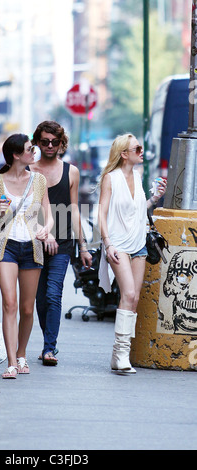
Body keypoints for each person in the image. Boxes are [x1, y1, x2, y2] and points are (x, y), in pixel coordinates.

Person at [0, 133, 53, 379]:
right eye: (29, 148)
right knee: (9, 303)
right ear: (16, 155)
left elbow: (48, 212)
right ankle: (11, 362)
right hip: (6, 247)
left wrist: (46, 228)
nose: (34, 151)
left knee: (26, 308)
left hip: (32, 247)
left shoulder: (39, 180)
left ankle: (22, 353)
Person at [98, 133, 166, 374]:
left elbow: (138, 210)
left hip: (139, 244)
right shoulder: (110, 178)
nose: (141, 151)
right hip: (118, 244)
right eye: (137, 148)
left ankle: (119, 356)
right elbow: (102, 214)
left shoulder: (137, 177)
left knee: (133, 298)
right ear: (124, 154)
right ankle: (121, 353)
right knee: (127, 292)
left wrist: (155, 199)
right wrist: (108, 244)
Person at [31, 121, 92, 366]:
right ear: (36, 142)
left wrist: (84, 246)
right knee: (39, 296)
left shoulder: (71, 171)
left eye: (54, 142)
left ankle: (49, 348)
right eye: (44, 141)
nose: (49, 146)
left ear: (61, 143)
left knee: (54, 294)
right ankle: (48, 340)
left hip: (64, 240)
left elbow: (75, 208)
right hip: (35, 239)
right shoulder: (30, 170)